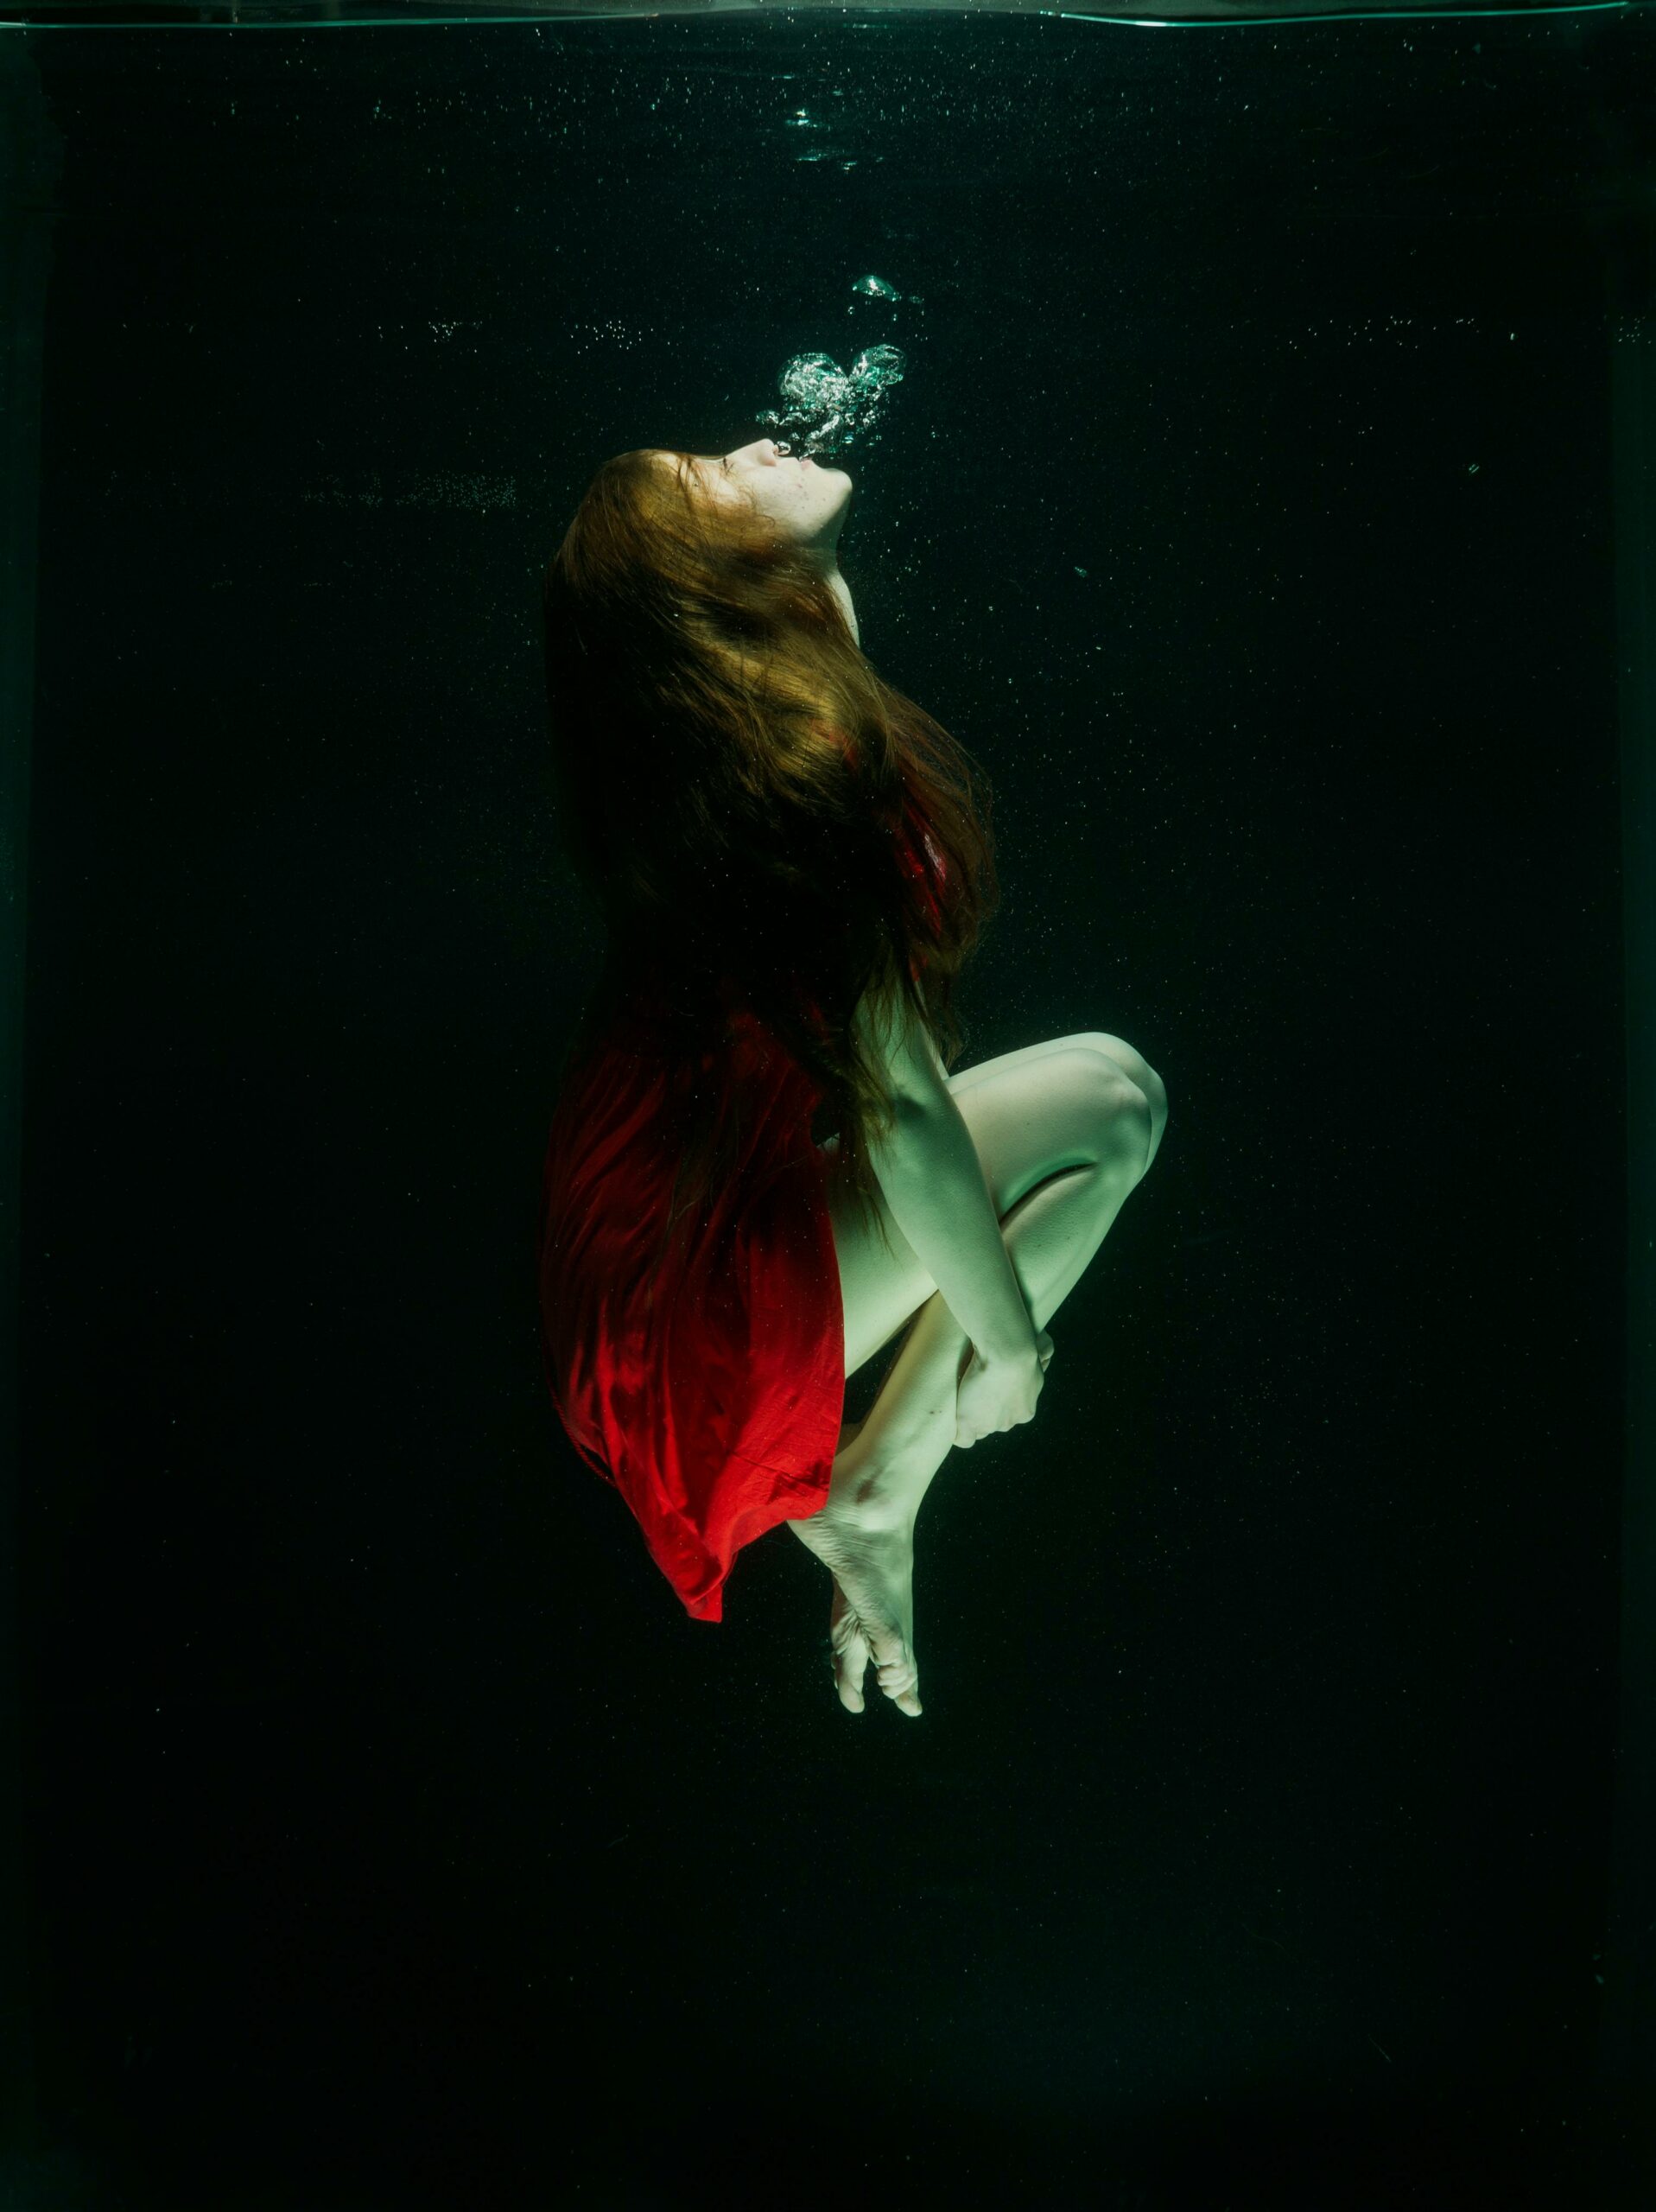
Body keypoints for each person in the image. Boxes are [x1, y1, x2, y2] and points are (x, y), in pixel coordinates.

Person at [537, 436, 1169, 1719]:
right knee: (1108, 1101)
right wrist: (1009, 1351)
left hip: (656, 1242)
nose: (755, 442)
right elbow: (904, 1115)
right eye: (712, 473)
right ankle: (890, 1477)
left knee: (1095, 1107)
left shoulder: (792, 684)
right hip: (678, 1284)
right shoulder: (794, 767)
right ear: (707, 571)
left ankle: (879, 1487)